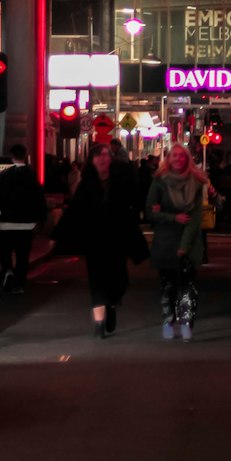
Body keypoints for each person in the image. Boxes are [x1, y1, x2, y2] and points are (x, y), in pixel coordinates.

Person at [54, 143, 146, 338]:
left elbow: (134, 201)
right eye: (98, 155)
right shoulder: (86, 183)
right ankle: (98, 324)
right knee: (97, 281)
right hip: (94, 239)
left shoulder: (121, 180)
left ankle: (111, 305)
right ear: (92, 160)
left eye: (106, 155)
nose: (103, 158)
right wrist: (60, 235)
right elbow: (75, 211)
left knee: (119, 279)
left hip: (117, 238)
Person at [145, 143, 205, 340]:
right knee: (168, 285)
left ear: (188, 159)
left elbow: (195, 218)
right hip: (165, 240)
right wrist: (172, 217)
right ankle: (168, 320)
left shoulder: (195, 182)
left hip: (188, 241)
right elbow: (150, 212)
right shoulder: (160, 181)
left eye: (182, 156)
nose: (178, 159)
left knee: (188, 286)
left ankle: (187, 323)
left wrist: (183, 247)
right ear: (168, 159)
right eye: (174, 156)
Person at [0, 144, 48, 293]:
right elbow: (39, 198)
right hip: (26, 224)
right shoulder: (31, 176)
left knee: (5, 253)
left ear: (12, 157)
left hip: (5, 223)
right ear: (26, 156)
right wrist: (41, 218)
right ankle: (19, 284)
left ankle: (8, 271)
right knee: (23, 256)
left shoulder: (3, 176)